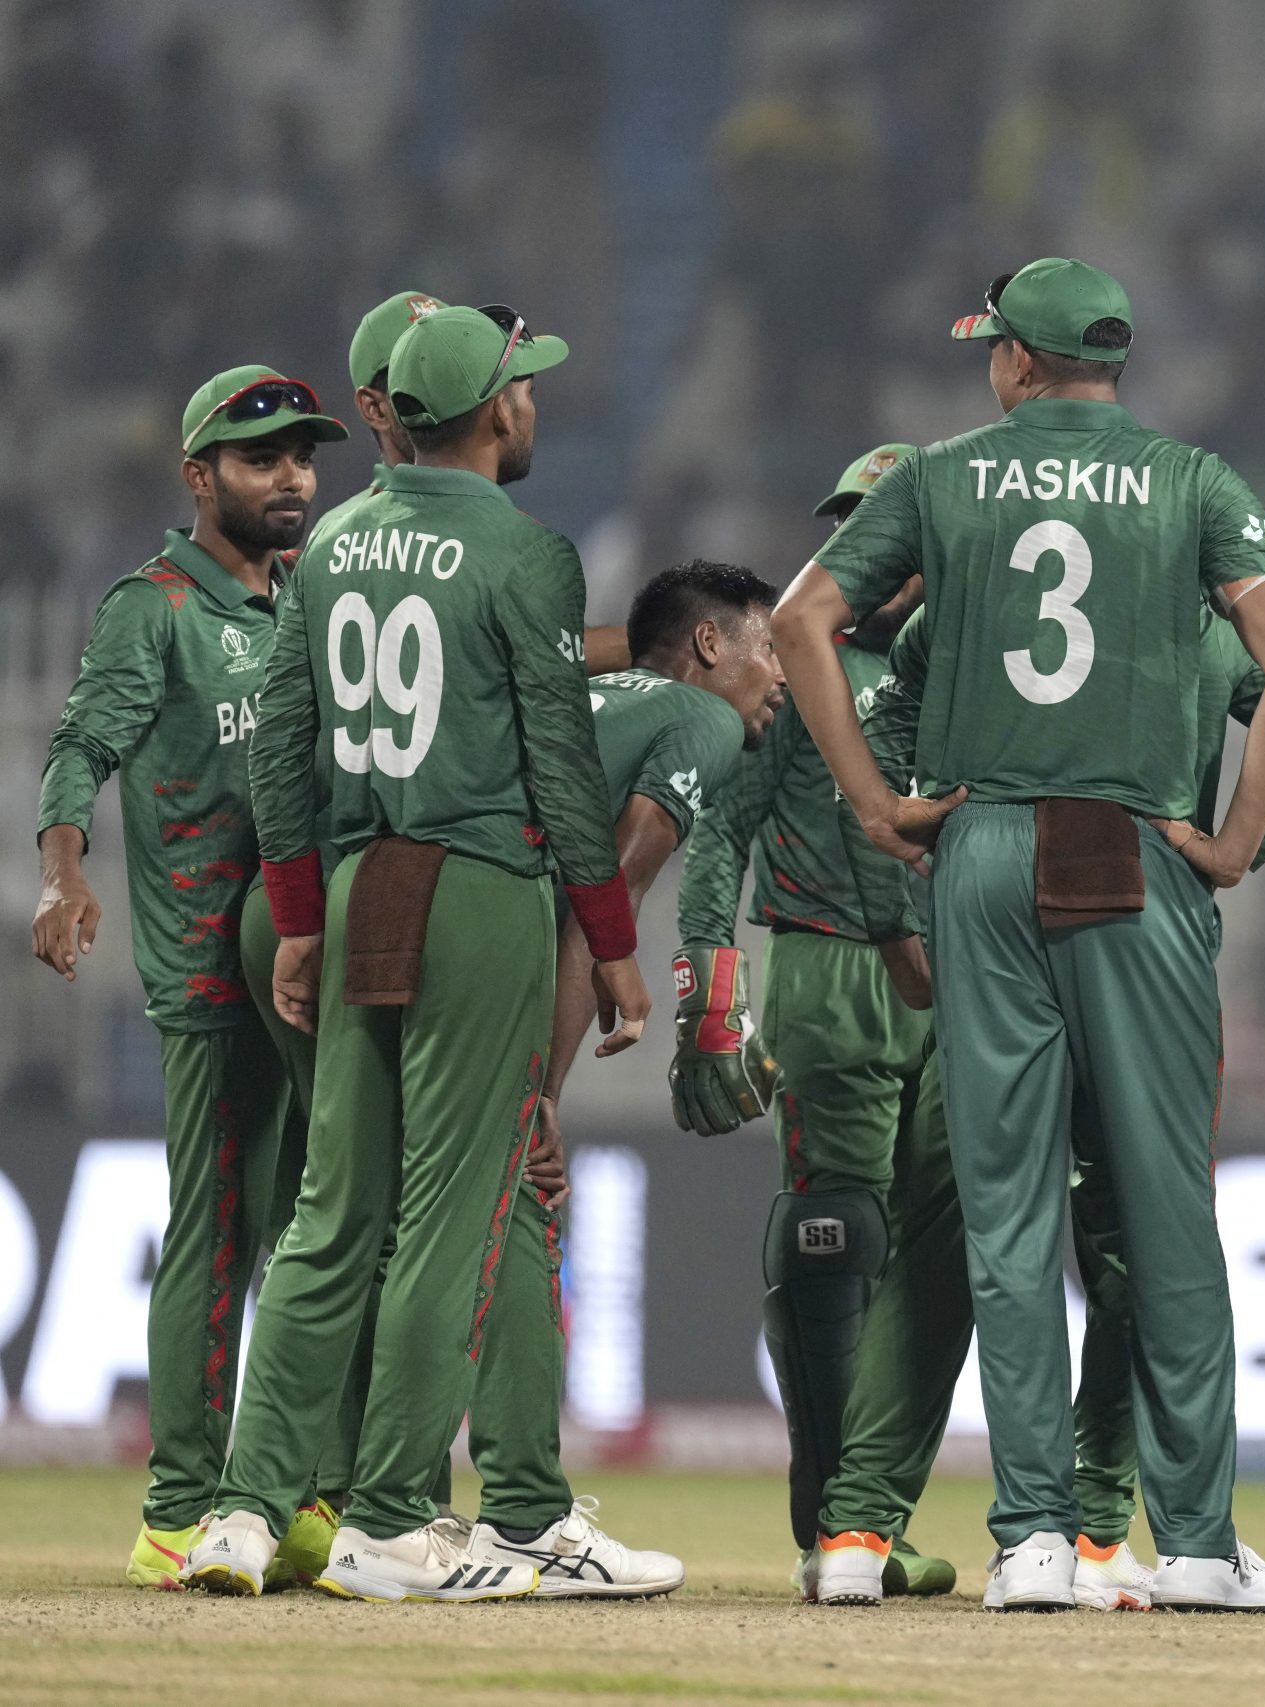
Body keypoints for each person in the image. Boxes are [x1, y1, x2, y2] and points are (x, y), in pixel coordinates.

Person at [767, 257, 1265, 1612]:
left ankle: (1029, 1542)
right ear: (1109, 366)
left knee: (1004, 1211)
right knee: (1162, 1207)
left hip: (985, 843)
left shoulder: (941, 473)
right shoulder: (1197, 481)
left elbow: (798, 623)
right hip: (1133, 849)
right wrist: (1238, 839)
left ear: (1016, 362)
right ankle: (1192, 1540)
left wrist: (876, 800)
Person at [784, 569, 1265, 1613]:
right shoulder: (1191, 624)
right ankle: (1102, 1531)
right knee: (1139, 1233)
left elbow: (873, 743)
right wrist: (1218, 854)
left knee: (954, 1234)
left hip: (993, 937)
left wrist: (931, 843)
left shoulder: (971, 611)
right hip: (1137, 931)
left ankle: (863, 1524)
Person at [186, 302, 649, 1602]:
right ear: (493, 411)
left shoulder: (331, 539)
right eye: (524, 386)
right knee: (458, 1206)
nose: (535, 402)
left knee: (332, 1210)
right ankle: (393, 1514)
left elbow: (284, 744)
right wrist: (610, 941)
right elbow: (562, 766)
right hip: (481, 886)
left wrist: (301, 911)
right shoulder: (527, 555)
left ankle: (241, 1505)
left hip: (354, 873)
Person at [31, 366, 347, 1590]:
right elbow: (80, 746)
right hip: (214, 977)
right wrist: (63, 878)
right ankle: (177, 1506)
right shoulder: (151, 608)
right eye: (262, 458)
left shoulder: (316, 603)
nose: (292, 479)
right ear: (198, 477)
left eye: (303, 457)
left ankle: (291, 1492)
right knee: (223, 1235)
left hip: (317, 965)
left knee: (321, 1228)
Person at [668, 444, 962, 1603]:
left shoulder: (966, 668)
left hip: (954, 984)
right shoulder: (801, 672)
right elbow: (720, 828)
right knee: (839, 1239)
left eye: (884, 526)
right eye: (849, 525)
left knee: (926, 1256)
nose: (867, 549)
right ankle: (831, 1525)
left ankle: (872, 1520)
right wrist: (706, 981)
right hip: (831, 972)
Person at [456, 559, 783, 1597]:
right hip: (489, 952)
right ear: (707, 647)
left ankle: (361, 1502)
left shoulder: (575, 696)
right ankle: (523, 1517)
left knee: (382, 1217)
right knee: (518, 1203)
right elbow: (600, 895)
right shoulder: (703, 723)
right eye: (765, 647)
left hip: (378, 908)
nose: (779, 674)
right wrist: (538, 1099)